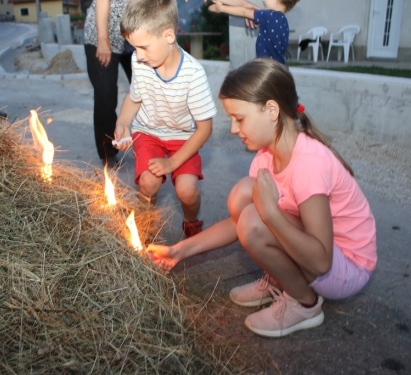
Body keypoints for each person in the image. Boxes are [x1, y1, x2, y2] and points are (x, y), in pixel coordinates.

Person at [148, 58, 377, 337]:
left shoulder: (309, 163)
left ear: (271, 110)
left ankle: (303, 304)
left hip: (347, 268)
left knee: (256, 219)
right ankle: (283, 278)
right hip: (321, 255)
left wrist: (269, 214)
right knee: (243, 196)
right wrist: (177, 252)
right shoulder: (266, 156)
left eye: (239, 119)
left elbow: (321, 262)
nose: (233, 129)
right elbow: (237, 222)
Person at [113, 0, 217, 238]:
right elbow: (134, 97)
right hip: (148, 132)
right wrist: (123, 122)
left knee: (187, 191)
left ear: (168, 35)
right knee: (149, 183)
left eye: (143, 47)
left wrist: (172, 163)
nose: (138, 56)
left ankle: (191, 224)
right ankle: (145, 227)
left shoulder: (193, 73)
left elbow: (205, 129)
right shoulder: (141, 62)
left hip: (183, 138)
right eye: (134, 48)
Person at [84, 0, 134, 167]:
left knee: (147, 89)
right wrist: (103, 40)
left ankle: (152, 143)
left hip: (134, 36)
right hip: (104, 34)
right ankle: (108, 152)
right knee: (106, 94)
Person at [209, 0, 299, 65]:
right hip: (279, 67)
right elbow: (245, 6)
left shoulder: (269, 15)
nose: (264, 0)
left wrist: (220, 8)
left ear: (278, 1)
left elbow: (243, 11)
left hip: (266, 67)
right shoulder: (283, 20)